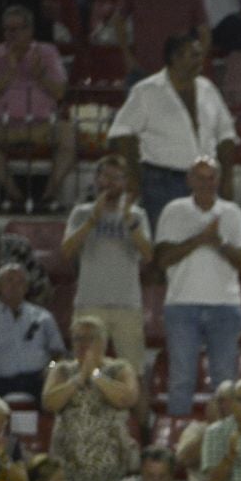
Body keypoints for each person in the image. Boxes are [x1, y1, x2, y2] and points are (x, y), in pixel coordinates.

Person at [108, 34, 238, 232]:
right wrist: (134, 177)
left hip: (206, 181)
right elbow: (121, 134)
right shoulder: (146, 91)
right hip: (162, 180)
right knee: (166, 243)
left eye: (200, 55)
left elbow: (226, 134)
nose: (200, 60)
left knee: (206, 241)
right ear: (175, 58)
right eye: (194, 55)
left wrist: (227, 178)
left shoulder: (208, 89)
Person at [155, 157, 241, 419]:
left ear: (218, 180)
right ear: (189, 180)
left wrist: (218, 242)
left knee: (225, 382)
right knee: (181, 379)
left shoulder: (232, 213)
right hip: (182, 304)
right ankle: (175, 439)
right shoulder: (174, 211)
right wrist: (199, 239)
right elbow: (161, 259)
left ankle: (228, 438)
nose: (206, 183)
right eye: (200, 177)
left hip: (225, 305)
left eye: (211, 177)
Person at [0, 3, 78, 214]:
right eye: (7, 29)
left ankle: (48, 195)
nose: (11, 34)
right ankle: (16, 196)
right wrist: (9, 72)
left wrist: (40, 75)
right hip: (2, 126)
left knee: (69, 133)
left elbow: (60, 93)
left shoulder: (47, 52)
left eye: (17, 29)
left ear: (30, 30)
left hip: (41, 126)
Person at [62, 155, 154, 375]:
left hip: (127, 305)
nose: (110, 183)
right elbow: (67, 251)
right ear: (96, 179)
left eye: (117, 178)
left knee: (133, 374)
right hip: (89, 303)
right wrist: (92, 220)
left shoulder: (138, 215)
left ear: (125, 182)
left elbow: (148, 255)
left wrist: (130, 221)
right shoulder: (81, 213)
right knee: (83, 370)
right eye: (106, 176)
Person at [44, 316, 140, 481]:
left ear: (104, 342)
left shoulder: (120, 367)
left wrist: (95, 375)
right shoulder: (61, 368)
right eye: (78, 339)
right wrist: (79, 378)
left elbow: (127, 398)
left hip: (109, 464)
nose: (83, 344)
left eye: (90, 338)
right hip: (68, 463)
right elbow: (49, 402)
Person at [0, 263, 65, 403]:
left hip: (38, 379)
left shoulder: (43, 316)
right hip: (0, 381)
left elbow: (58, 353)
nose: (15, 286)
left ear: (26, 287)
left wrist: (50, 369)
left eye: (20, 282)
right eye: (9, 280)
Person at [113, 0, 210, 80]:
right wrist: (127, 56)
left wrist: (195, 64)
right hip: (141, 71)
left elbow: (204, 33)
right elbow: (118, 20)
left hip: (178, 74)